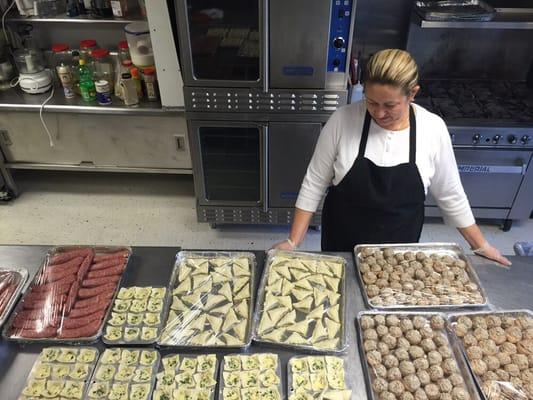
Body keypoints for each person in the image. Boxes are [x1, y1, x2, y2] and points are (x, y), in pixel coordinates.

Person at [274, 49, 510, 266]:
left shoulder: (432, 129)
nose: (379, 113)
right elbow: (314, 182)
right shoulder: (342, 120)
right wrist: (293, 242)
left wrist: (481, 245)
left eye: (390, 105)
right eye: (371, 102)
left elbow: (451, 194)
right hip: (341, 244)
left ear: (412, 94)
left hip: (399, 250)